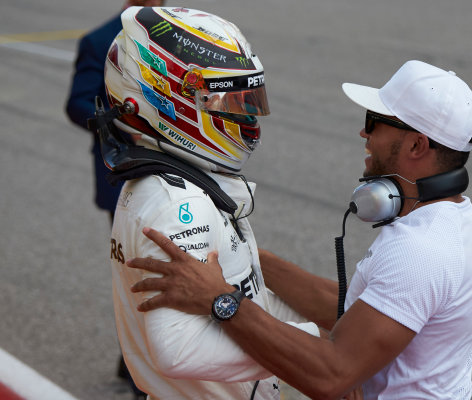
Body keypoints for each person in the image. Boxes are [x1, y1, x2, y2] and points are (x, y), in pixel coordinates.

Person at [126, 60, 472, 399]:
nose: (362, 133)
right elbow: (355, 309)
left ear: (417, 144)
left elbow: (331, 374)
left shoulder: (422, 249)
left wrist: (219, 299)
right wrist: (248, 255)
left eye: (374, 121)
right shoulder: (457, 218)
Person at [99, 5, 321, 399]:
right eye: (230, 102)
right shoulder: (179, 205)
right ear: (168, 99)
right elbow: (178, 351)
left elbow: (245, 297)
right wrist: (315, 348)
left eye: (249, 100)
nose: (248, 117)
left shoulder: (183, 182)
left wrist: (323, 323)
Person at [65, 1, 163, 398]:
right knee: (138, 277)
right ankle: (142, 375)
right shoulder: (99, 40)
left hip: (172, 174)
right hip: (121, 178)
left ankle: (136, 362)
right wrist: (124, 122)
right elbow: (76, 104)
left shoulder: (177, 37)